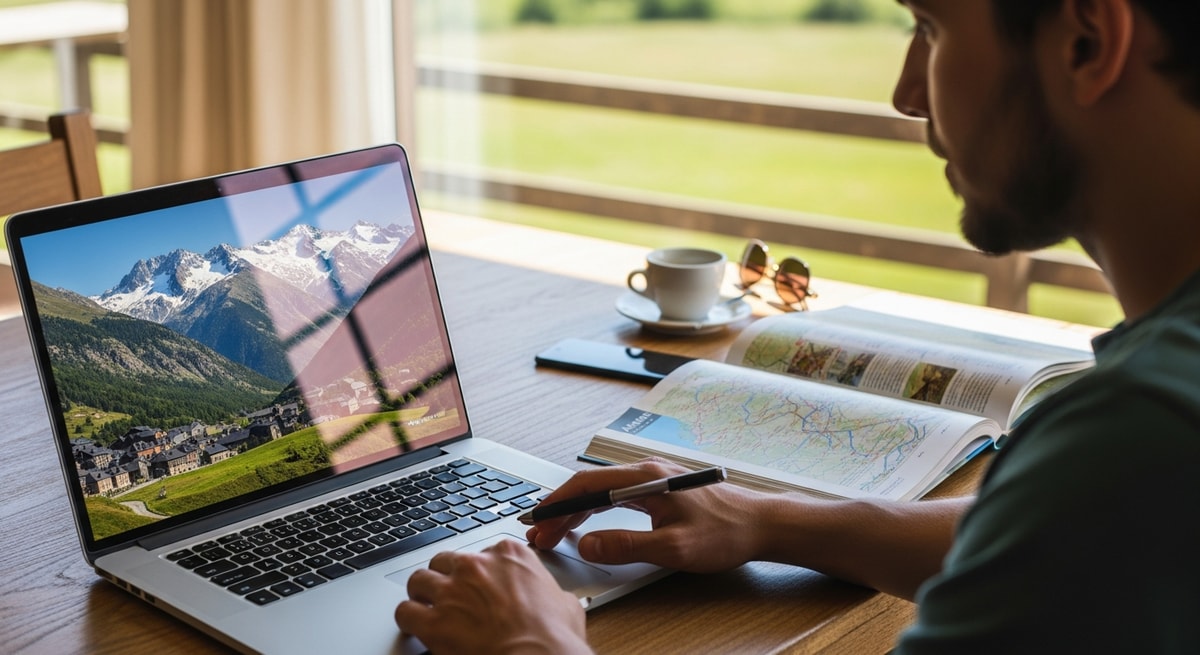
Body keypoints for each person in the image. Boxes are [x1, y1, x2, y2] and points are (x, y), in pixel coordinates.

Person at [394, 0, 1200, 652]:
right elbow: (1059, 542)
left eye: (930, 27)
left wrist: (533, 646)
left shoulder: (1137, 432)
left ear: (1088, 40)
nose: (907, 92)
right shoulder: (1135, 443)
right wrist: (765, 516)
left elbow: (1094, 501)